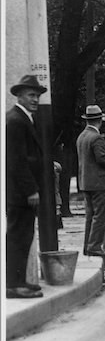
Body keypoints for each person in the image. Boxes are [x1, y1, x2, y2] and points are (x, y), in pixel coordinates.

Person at [5, 75, 47, 299]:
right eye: (31, 95)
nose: (35, 100)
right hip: (19, 193)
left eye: (38, 96)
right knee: (17, 237)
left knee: (23, 236)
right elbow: (16, 160)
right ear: (19, 95)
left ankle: (19, 281)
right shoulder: (15, 121)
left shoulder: (23, 119)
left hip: (20, 192)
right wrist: (30, 189)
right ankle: (12, 285)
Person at [76, 105, 105, 257]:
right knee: (100, 215)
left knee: (90, 216)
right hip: (99, 183)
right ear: (100, 120)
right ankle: (94, 247)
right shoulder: (96, 137)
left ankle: (88, 246)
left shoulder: (81, 137)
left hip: (86, 182)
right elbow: (102, 159)